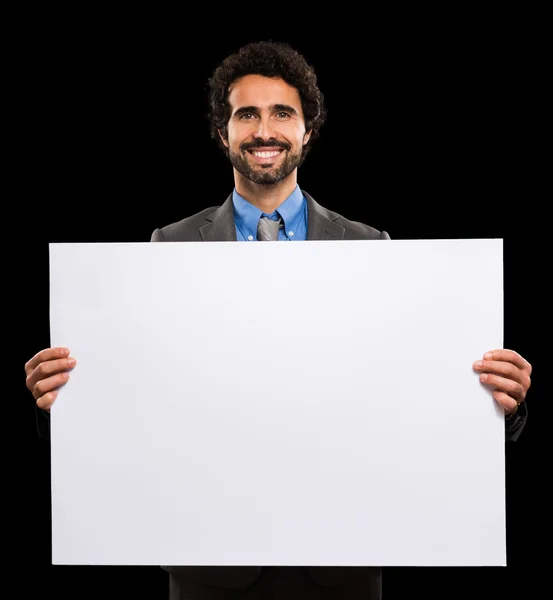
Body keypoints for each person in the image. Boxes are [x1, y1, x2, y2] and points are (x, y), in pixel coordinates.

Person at [25, 40, 532, 600]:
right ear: (224, 132)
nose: (264, 130)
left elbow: (407, 398)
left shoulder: (372, 248)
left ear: (307, 129)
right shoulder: (166, 248)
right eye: (247, 114)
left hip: (344, 558)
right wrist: (64, 404)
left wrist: (500, 405)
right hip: (207, 559)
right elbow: (139, 398)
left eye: (282, 113)